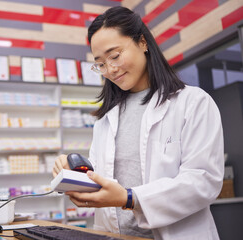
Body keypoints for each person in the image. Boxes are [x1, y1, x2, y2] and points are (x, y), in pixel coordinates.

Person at [52, 6, 224, 240]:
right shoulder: (106, 120)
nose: (110, 69)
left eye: (115, 56)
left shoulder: (193, 103)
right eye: (100, 64)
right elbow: (105, 181)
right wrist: (76, 177)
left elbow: (203, 181)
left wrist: (129, 198)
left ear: (142, 42)